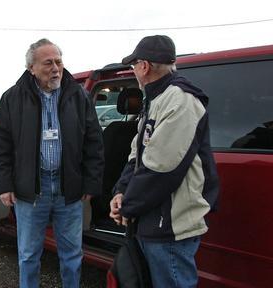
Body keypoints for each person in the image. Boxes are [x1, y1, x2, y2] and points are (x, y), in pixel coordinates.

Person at [0, 38, 104, 288]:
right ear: (31, 68)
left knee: (72, 255)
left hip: (69, 190)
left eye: (59, 61)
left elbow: (94, 143)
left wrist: (90, 182)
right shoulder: (12, 98)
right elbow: (0, 147)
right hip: (31, 190)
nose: (56, 68)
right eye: (48, 63)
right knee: (29, 256)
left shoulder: (78, 95)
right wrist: (4, 184)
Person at [109, 35, 220, 288]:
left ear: (144, 66)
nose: (133, 71)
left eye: (133, 65)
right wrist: (121, 192)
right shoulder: (156, 100)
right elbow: (137, 154)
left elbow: (161, 168)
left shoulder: (180, 100)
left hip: (171, 225)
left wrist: (127, 207)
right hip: (153, 220)